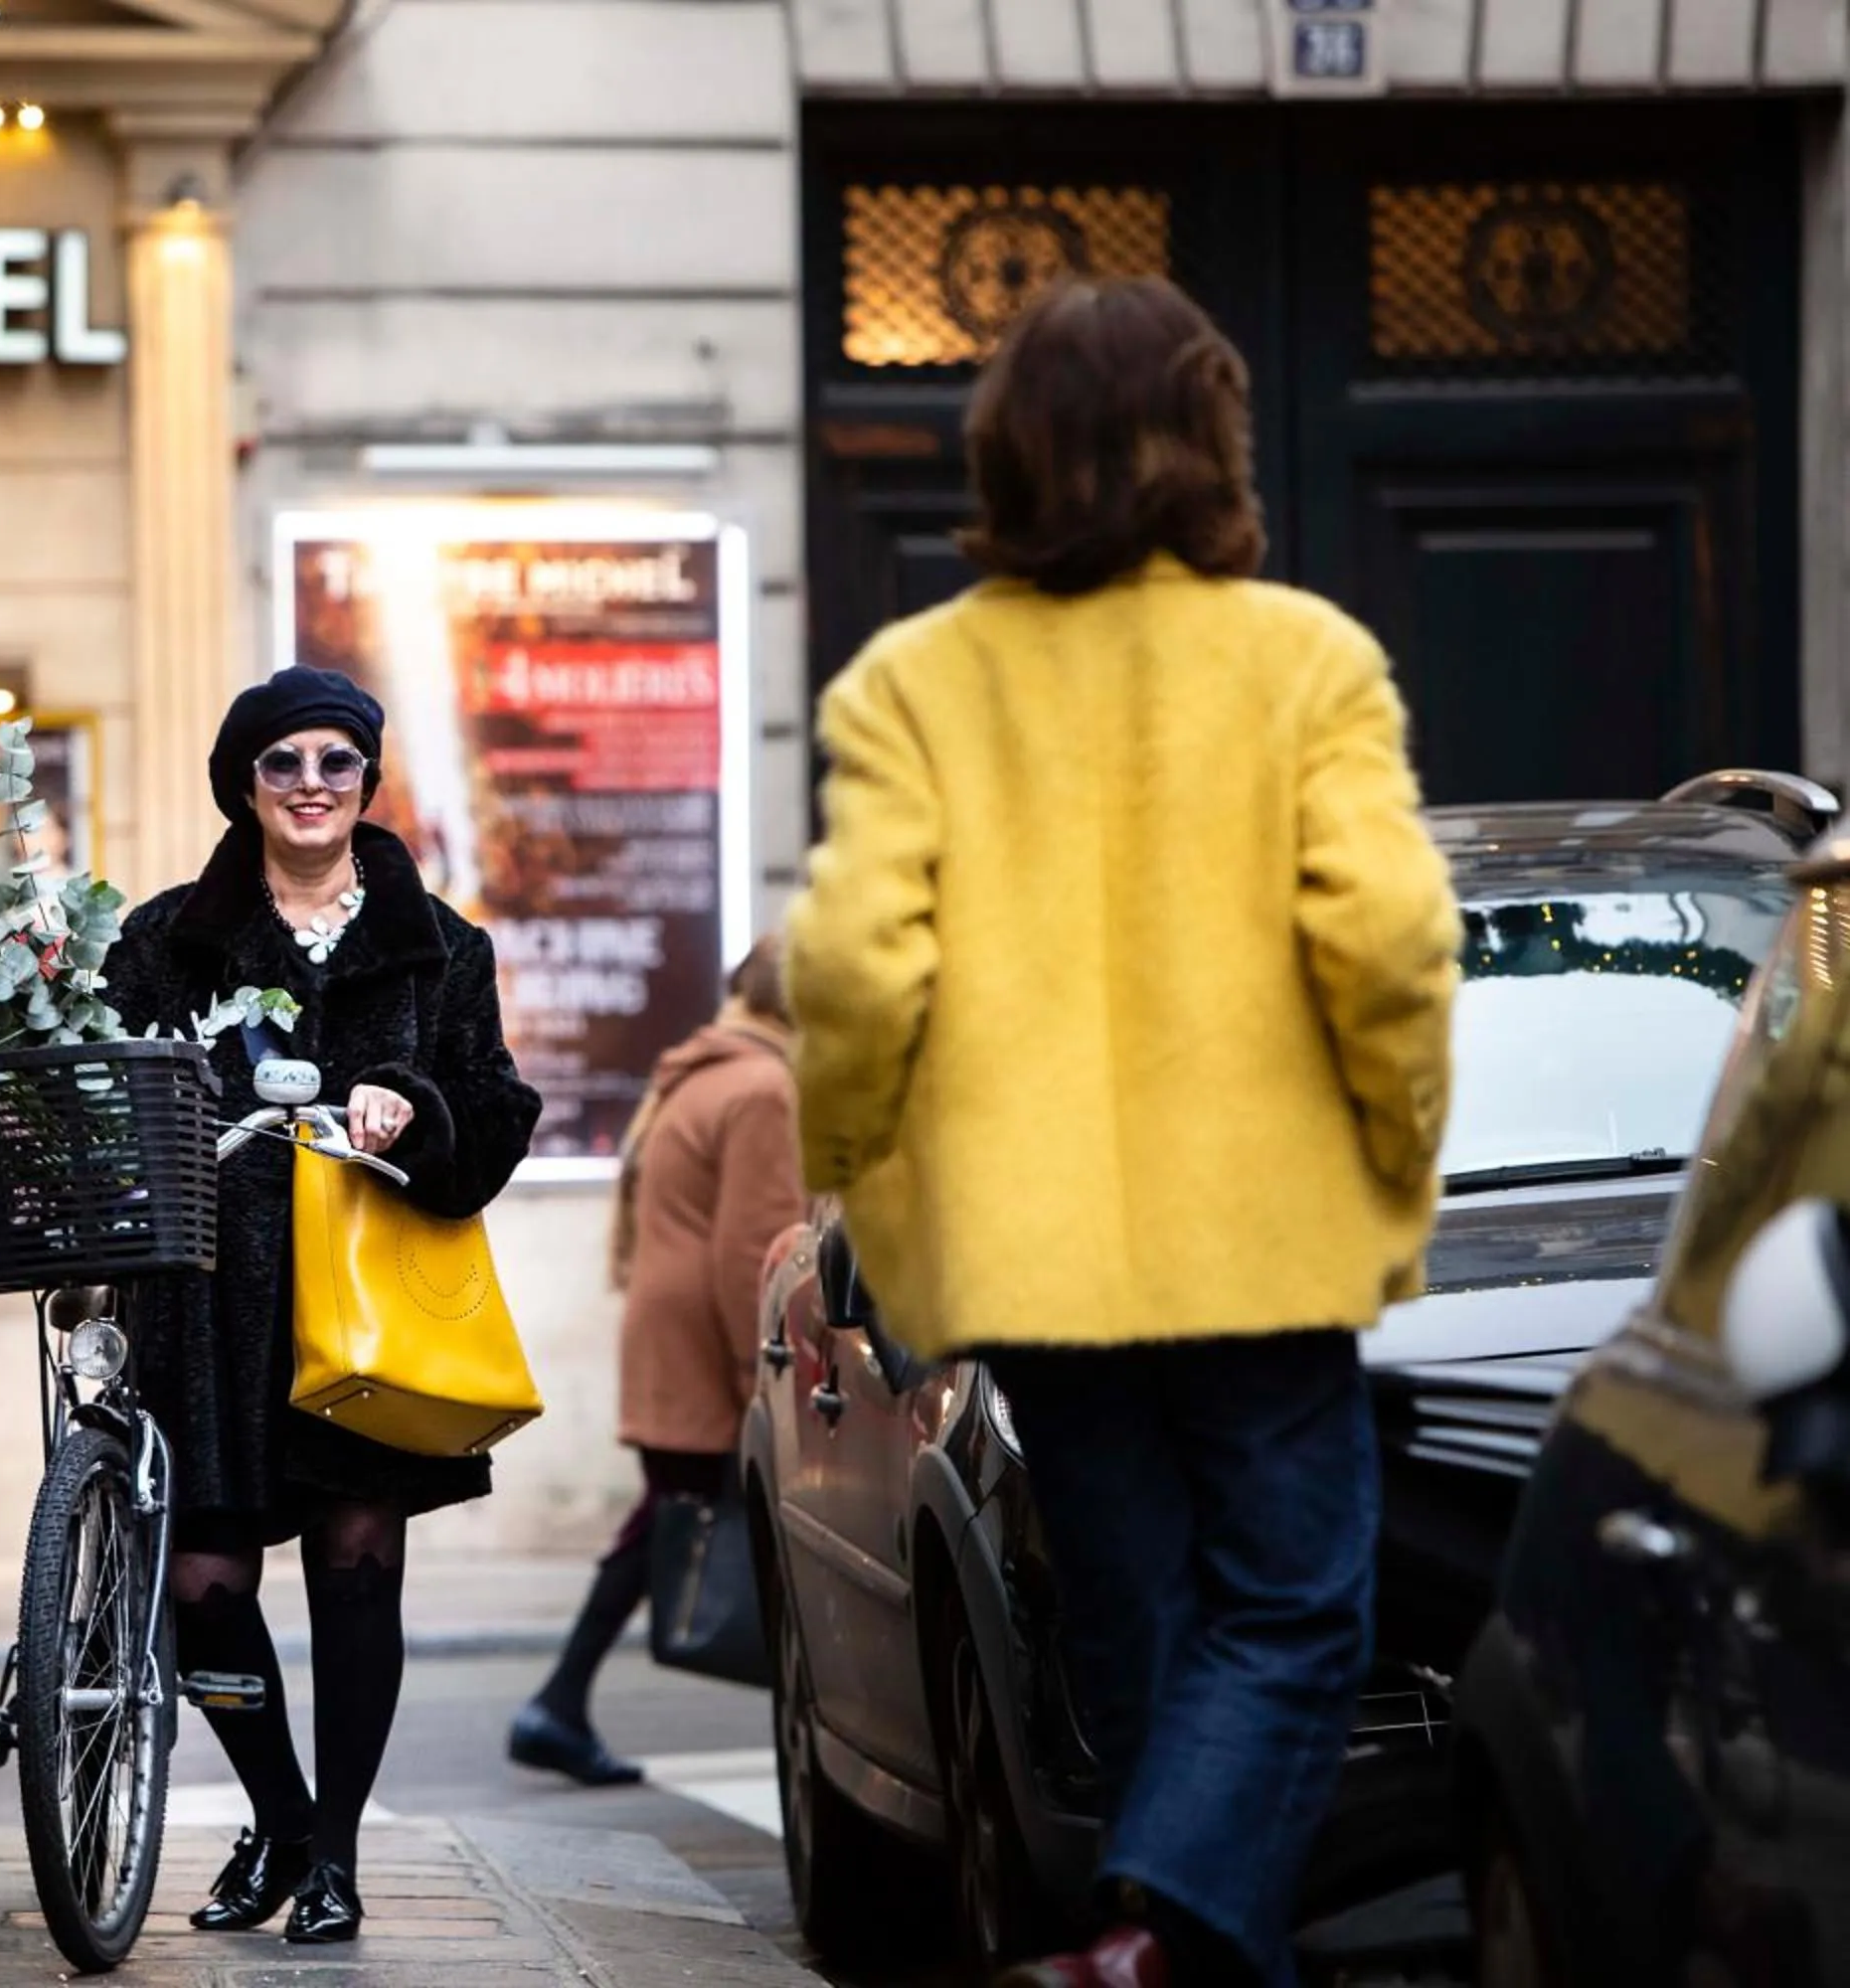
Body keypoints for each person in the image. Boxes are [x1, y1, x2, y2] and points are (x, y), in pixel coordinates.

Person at [784, 277, 1459, 1988]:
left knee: (1143, 1617)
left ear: (1004, 454)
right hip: (1263, 1238)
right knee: (1301, 1611)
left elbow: (854, 971)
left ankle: (1167, 1946)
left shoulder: (916, 683)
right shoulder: (1303, 659)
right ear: (1213, 444)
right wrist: (1396, 1149)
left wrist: (866, 1189)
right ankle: (1162, 1931)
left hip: (1033, 1259)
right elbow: (1387, 943)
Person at [101, 667, 543, 1945]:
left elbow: (498, 1112)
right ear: (244, 784)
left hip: (365, 1307)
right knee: (201, 1582)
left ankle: (337, 1853)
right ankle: (283, 1816)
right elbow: (118, 1086)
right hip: (206, 1306)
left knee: (357, 1562)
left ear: (366, 780)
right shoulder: (168, 936)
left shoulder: (443, 946)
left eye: (334, 763)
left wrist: (418, 1097)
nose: (310, 785)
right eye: (283, 763)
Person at [507, 935, 802, 1785]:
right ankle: (559, 1704)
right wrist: (766, 1377)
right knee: (688, 1523)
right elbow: (756, 1252)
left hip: (672, 1331)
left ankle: (559, 1705)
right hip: (710, 1343)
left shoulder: (705, 1072)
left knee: (664, 1520)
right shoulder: (765, 1089)